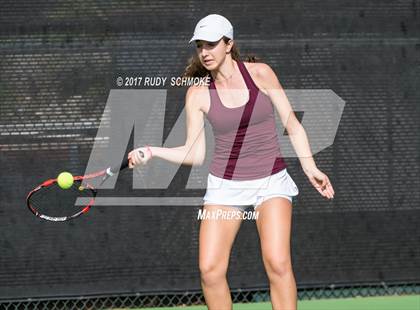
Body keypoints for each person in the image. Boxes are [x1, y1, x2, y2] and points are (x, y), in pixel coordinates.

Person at [128, 13, 335, 310]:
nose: (205, 52)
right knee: (210, 271)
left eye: (212, 44)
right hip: (225, 187)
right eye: (200, 46)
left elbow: (292, 123)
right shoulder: (198, 93)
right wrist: (153, 151)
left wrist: (310, 167)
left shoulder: (260, 74)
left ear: (229, 44)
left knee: (277, 263)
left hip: (270, 182)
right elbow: (195, 152)